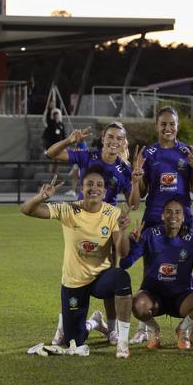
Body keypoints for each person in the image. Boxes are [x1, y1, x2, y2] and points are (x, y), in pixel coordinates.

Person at [45, 121, 142, 346]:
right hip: (81, 219)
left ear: (123, 142)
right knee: (74, 271)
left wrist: (136, 183)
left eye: (119, 138)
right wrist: (70, 140)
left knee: (110, 271)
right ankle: (65, 322)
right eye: (111, 137)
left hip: (108, 223)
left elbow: (133, 204)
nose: (114, 142)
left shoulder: (124, 169)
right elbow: (51, 153)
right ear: (103, 138)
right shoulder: (88, 155)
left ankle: (110, 326)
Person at [20, 167, 133, 358]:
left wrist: (122, 232)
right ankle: (94, 323)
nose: (94, 188)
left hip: (100, 278)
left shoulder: (113, 213)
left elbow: (122, 252)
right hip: (74, 281)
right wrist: (41, 197)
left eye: (99, 185)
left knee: (122, 277)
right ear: (81, 187)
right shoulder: (68, 209)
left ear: (105, 191)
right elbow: (27, 210)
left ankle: (122, 342)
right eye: (90, 184)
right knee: (75, 340)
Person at [129, 106, 193, 345]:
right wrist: (138, 174)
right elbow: (141, 193)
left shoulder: (186, 151)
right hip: (154, 217)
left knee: (186, 266)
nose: (167, 128)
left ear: (177, 126)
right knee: (150, 269)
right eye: (163, 124)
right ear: (156, 126)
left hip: (183, 218)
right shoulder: (149, 153)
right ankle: (144, 326)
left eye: (171, 124)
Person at [120, 198, 193, 350]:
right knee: (137, 305)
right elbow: (125, 263)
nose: (173, 216)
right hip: (154, 297)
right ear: (162, 216)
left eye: (178, 212)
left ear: (184, 217)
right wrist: (133, 242)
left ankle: (183, 329)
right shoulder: (150, 234)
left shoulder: (192, 238)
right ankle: (153, 330)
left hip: (182, 298)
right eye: (169, 212)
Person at [42, 106, 66, 173]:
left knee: (58, 159)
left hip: (59, 145)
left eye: (57, 116)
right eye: (55, 116)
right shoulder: (51, 124)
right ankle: (49, 171)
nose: (56, 117)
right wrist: (50, 109)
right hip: (52, 144)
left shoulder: (61, 125)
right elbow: (47, 119)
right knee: (51, 158)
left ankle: (56, 171)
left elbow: (63, 135)